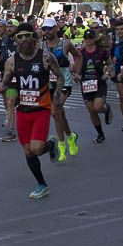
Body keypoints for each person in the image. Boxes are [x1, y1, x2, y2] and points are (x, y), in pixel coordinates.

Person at [0, 23, 62, 198]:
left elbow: (60, 77)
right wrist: (1, 88)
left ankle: (50, 144)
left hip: (41, 109)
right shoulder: (12, 61)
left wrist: (56, 97)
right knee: (28, 151)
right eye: (21, 37)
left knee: (37, 149)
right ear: (16, 40)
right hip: (23, 111)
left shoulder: (46, 57)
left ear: (34, 37)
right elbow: (6, 81)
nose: (24, 40)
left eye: (28, 36)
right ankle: (42, 184)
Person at [40, 18, 79, 160]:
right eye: (44, 29)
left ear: (56, 28)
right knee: (59, 114)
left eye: (49, 29)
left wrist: (77, 71)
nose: (47, 32)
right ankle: (70, 136)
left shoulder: (65, 43)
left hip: (64, 81)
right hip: (48, 83)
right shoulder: (41, 45)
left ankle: (61, 146)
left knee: (55, 111)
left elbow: (78, 56)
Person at [72, 27, 113, 143]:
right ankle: (100, 134)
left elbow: (110, 64)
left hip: (99, 83)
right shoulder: (81, 53)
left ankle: (107, 109)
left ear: (95, 39)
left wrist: (106, 73)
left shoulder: (101, 51)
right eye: (86, 38)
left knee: (98, 107)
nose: (88, 40)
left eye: (91, 38)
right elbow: (76, 69)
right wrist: (76, 76)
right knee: (92, 110)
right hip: (86, 84)